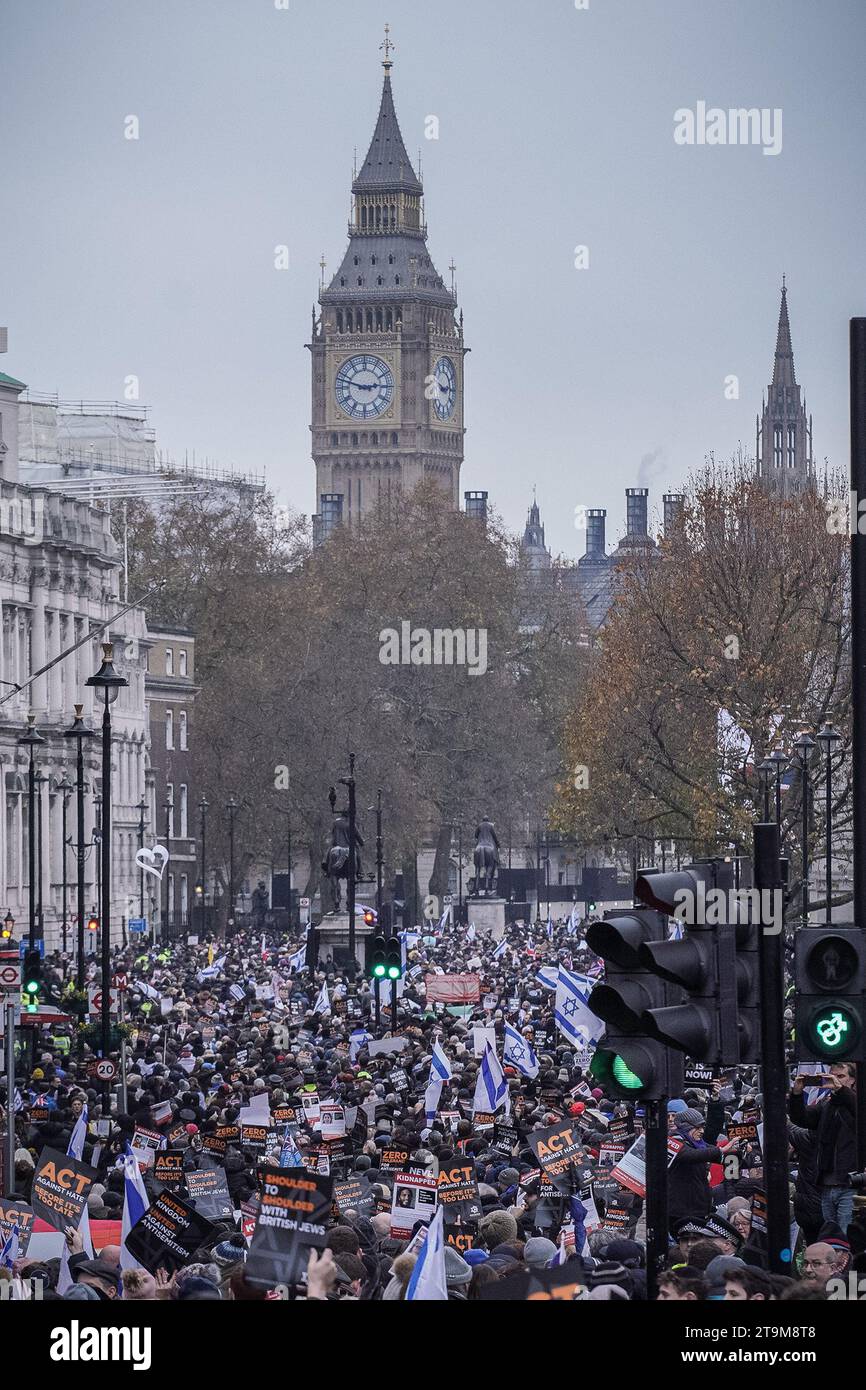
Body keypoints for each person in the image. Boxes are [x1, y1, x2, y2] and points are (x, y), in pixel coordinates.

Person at [788, 1063, 857, 1232]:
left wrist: (841, 1091)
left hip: (849, 1183)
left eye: (840, 1077)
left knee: (845, 1237)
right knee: (831, 1236)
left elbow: (857, 1110)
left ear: (853, 1080)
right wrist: (797, 1094)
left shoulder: (857, 1102)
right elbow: (802, 1119)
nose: (834, 1081)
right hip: (826, 1184)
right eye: (831, 1076)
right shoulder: (826, 1104)